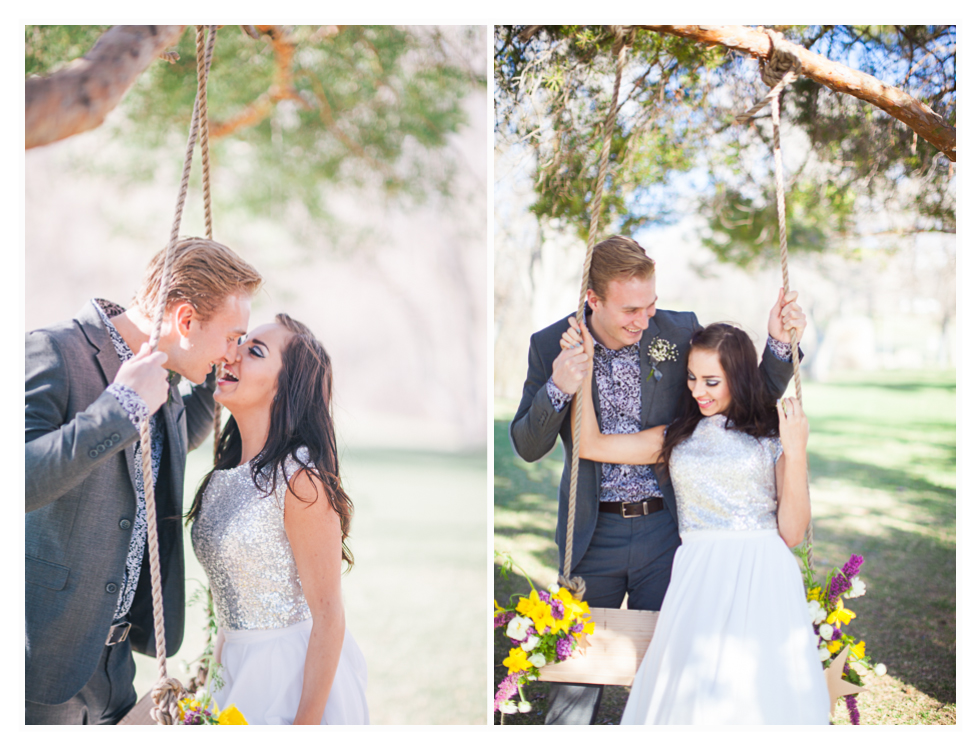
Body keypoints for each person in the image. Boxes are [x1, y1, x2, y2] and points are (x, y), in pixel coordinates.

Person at [508, 235, 805, 724]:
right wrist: (559, 385)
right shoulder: (549, 346)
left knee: (676, 671)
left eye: (651, 306)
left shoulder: (679, 331)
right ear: (593, 300)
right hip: (592, 534)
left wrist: (778, 343)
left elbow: (744, 393)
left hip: (668, 532)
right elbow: (527, 444)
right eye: (630, 310)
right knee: (576, 676)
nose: (643, 321)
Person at [25, 237, 263, 724]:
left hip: (115, 667)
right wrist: (120, 410)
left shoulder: (166, 381)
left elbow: (172, 441)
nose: (231, 351)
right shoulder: (55, 351)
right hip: (39, 666)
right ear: (185, 321)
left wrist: (226, 384)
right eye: (231, 336)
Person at [564, 319, 829, 724]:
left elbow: (792, 532)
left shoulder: (771, 436)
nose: (696, 391)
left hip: (761, 572)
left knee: (754, 690)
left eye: (711, 381)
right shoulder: (677, 436)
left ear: (738, 379)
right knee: (691, 690)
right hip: (697, 573)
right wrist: (582, 368)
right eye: (691, 378)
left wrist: (796, 453)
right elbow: (591, 444)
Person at [188, 313, 368, 725]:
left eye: (253, 351)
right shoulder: (222, 475)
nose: (230, 356)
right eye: (239, 344)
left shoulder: (300, 481)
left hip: (285, 677)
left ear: (284, 388)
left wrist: (303, 728)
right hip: (231, 670)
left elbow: (329, 616)